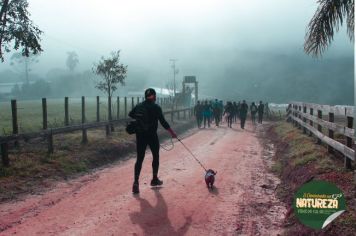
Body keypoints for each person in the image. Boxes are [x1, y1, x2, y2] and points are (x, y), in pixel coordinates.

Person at [129, 88, 177, 194]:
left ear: (145, 96)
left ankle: (136, 183)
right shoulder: (156, 107)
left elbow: (131, 114)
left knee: (139, 159)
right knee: (155, 156)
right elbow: (163, 122)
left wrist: (141, 120)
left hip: (140, 136)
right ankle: (154, 179)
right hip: (152, 136)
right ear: (154, 96)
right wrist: (172, 133)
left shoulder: (139, 106)